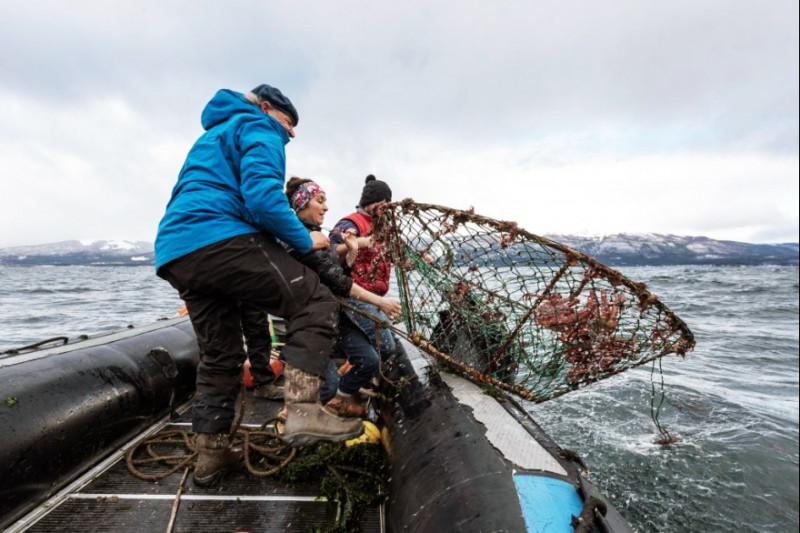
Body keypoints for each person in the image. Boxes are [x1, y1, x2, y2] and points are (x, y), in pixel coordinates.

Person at [154, 84, 362, 487]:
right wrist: (307, 239)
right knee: (315, 302)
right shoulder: (259, 128)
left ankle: (212, 454)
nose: (292, 133)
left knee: (220, 355)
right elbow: (263, 199)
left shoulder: (211, 137)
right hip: (219, 237)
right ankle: (303, 412)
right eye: (289, 122)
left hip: (176, 251)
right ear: (267, 109)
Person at [284, 177, 402, 417]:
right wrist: (380, 302)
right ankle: (299, 416)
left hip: (334, 315)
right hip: (314, 321)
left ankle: (341, 397)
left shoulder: (317, 235)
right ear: (302, 204)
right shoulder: (302, 238)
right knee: (326, 387)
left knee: (369, 360)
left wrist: (351, 253)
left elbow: (336, 268)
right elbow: (335, 279)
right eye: (320, 201)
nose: (326, 207)